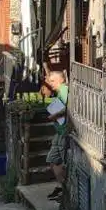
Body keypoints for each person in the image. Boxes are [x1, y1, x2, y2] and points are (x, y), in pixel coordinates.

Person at [43, 67, 69, 201]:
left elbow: (67, 108)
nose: (51, 83)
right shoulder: (60, 92)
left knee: (57, 160)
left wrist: (54, 115)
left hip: (63, 131)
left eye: (53, 81)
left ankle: (65, 189)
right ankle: (62, 187)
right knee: (53, 160)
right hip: (59, 132)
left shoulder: (64, 90)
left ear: (60, 80)